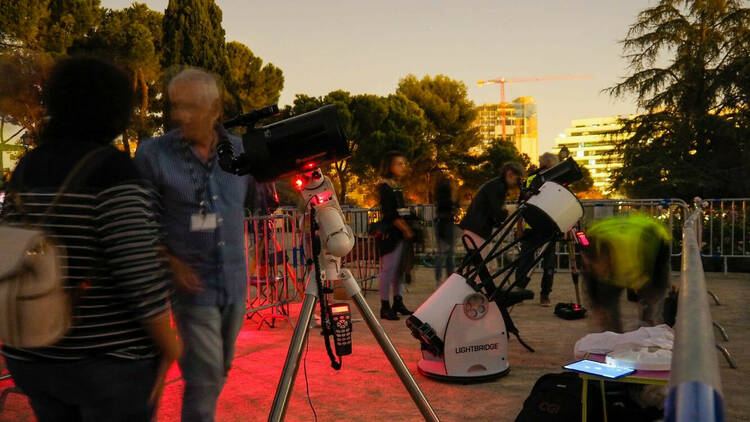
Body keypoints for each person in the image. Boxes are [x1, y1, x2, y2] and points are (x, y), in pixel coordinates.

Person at [0, 57, 181, 421]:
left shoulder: (27, 166)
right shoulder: (113, 171)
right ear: (113, 110)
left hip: (31, 353)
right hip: (104, 362)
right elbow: (138, 273)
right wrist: (170, 344)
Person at [134, 68, 250, 422]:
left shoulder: (241, 151)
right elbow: (141, 222)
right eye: (175, 106)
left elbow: (253, 204)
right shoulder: (153, 155)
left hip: (235, 282)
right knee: (203, 380)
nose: (179, 115)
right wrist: (172, 261)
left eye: (191, 106)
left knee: (219, 370)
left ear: (215, 108)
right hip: (192, 288)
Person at [580, 214, 671, 333]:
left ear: (606, 258)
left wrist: (652, 297)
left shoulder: (645, 250)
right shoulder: (592, 241)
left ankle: (649, 332)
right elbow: (590, 280)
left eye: (599, 268)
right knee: (607, 313)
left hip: (653, 241)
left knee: (651, 306)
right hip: (615, 244)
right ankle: (614, 338)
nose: (598, 272)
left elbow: (659, 276)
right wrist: (598, 307)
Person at [514, 152, 560, 306]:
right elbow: (521, 204)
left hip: (550, 228)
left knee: (549, 264)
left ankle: (545, 295)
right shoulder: (532, 179)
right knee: (525, 261)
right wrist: (519, 226)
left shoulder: (558, 181)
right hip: (531, 228)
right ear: (546, 164)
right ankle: (518, 291)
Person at [459, 162, 525, 267]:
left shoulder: (495, 185)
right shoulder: (498, 187)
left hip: (474, 229)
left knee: (481, 267)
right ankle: (474, 284)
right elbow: (497, 211)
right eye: (517, 179)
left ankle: (471, 283)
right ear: (510, 174)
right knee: (486, 268)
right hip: (477, 231)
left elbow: (493, 211)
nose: (517, 183)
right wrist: (511, 212)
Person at [376, 151, 414, 320]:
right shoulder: (385, 186)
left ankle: (397, 302)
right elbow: (389, 213)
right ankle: (384, 306)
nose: (403, 166)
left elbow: (401, 209)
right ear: (390, 166)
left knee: (398, 270)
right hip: (391, 234)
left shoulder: (396, 185)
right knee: (388, 270)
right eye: (399, 163)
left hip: (400, 233)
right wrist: (405, 228)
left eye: (404, 163)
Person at [432, 169, 456, 285]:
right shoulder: (446, 194)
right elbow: (449, 205)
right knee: (449, 253)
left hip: (441, 222)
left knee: (442, 253)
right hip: (446, 223)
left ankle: (439, 279)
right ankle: (449, 279)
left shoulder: (438, 192)